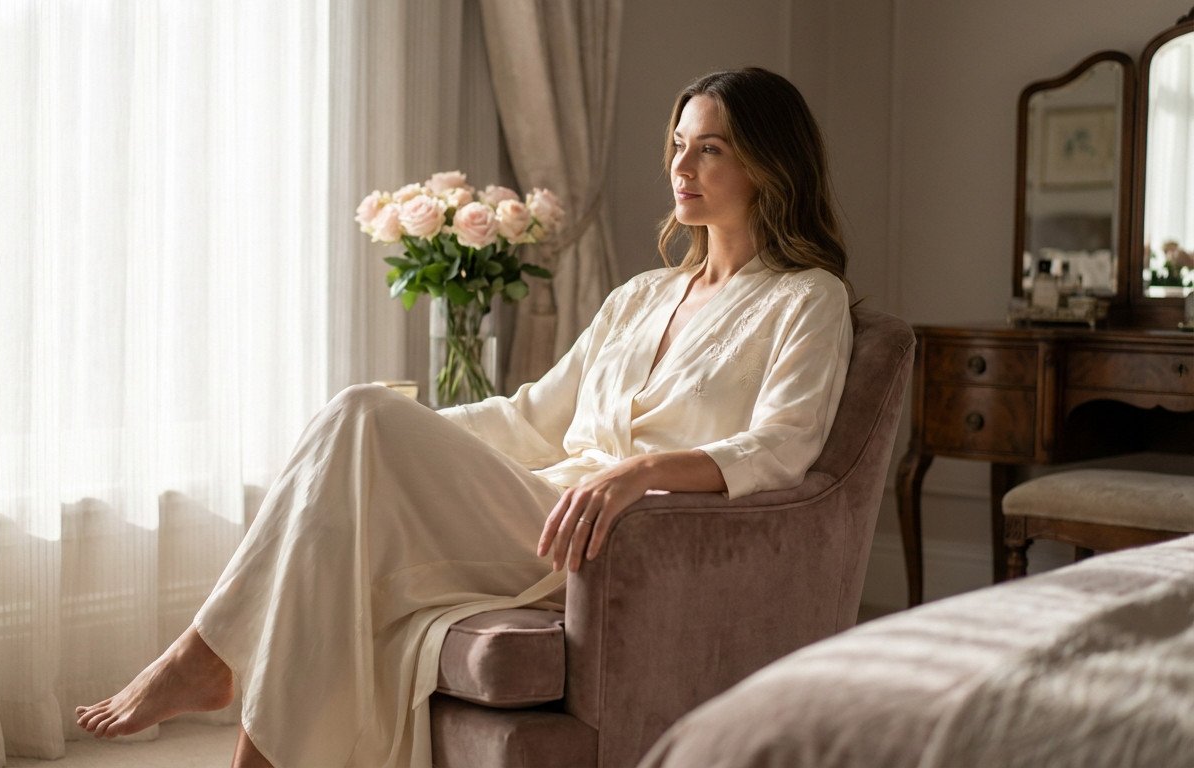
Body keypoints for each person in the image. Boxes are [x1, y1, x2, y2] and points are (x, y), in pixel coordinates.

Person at [75, 67, 854, 768]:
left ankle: (205, 658)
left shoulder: (805, 299)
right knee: (354, 430)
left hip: (613, 542)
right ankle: (247, 737)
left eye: (710, 149)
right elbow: (531, 417)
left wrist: (643, 471)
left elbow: (783, 449)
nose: (681, 166)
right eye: (679, 144)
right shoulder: (642, 295)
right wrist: (388, 438)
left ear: (766, 163)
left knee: (360, 425)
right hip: (540, 501)